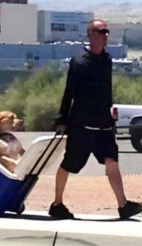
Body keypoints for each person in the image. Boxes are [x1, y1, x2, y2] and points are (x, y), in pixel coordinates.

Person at [49, 19, 142, 220]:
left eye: (107, 31)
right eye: (101, 31)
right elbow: (69, 92)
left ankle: (123, 205)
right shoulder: (79, 62)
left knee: (112, 160)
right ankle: (57, 204)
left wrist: (110, 109)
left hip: (103, 125)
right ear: (91, 35)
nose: (106, 35)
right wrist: (62, 119)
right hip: (81, 126)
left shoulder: (106, 61)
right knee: (69, 165)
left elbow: (107, 88)